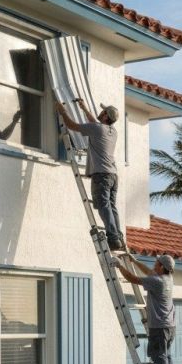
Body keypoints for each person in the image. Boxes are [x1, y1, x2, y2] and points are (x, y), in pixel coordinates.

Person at [55, 99, 124, 251]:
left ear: (105, 116)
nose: (101, 112)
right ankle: (118, 237)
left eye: (103, 111)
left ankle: (113, 238)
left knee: (103, 205)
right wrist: (84, 109)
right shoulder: (112, 131)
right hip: (113, 175)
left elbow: (72, 125)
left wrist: (62, 111)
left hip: (101, 175)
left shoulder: (97, 129)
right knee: (111, 206)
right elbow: (95, 124)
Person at [112, 254, 178, 364]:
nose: (154, 264)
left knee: (158, 354)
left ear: (161, 267)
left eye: (157, 262)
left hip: (159, 326)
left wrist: (119, 265)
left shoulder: (157, 281)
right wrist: (134, 261)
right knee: (166, 354)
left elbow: (133, 279)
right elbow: (149, 272)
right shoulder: (168, 278)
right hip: (170, 325)